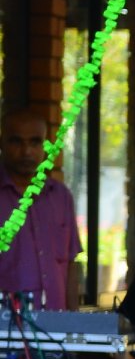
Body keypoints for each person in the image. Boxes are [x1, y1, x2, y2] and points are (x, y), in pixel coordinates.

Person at [0, 108, 81, 310]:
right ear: (2, 143)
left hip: (57, 324)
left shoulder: (61, 196)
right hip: (5, 325)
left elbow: (70, 265)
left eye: (35, 142)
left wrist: (73, 320)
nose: (26, 151)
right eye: (16, 141)